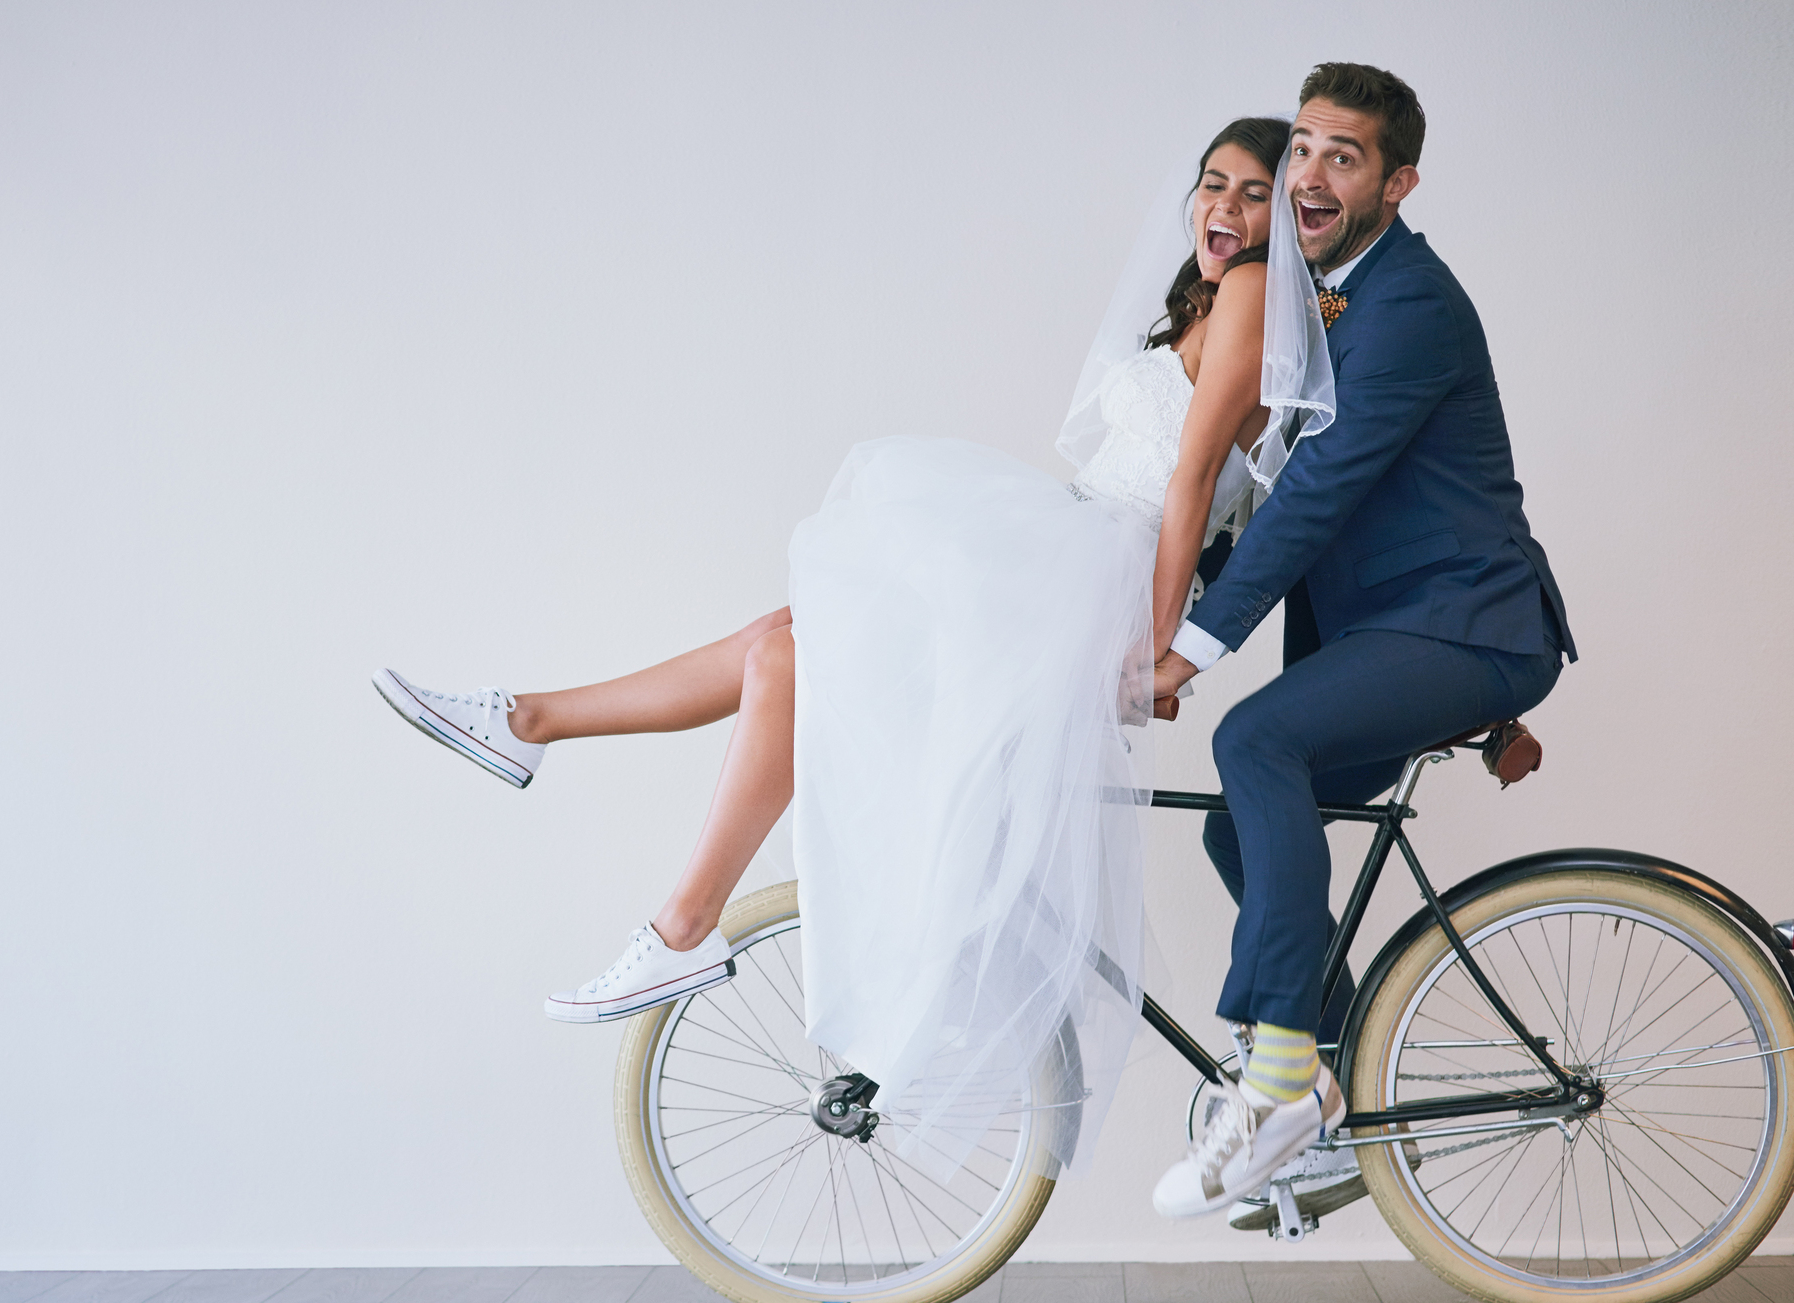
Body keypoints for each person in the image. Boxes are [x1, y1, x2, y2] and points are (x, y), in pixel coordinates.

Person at [374, 115, 1328, 1170]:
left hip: (1096, 574)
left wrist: (1155, 652)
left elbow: (1195, 481)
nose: (1222, 210)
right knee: (783, 645)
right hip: (1072, 555)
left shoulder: (1249, 296)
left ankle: (660, 903)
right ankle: (532, 729)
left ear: (1287, 220)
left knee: (795, 647)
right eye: (1211, 185)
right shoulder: (1217, 296)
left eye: (1250, 195)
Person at [1146, 64, 1575, 1219]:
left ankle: (1280, 1076)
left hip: (1455, 627)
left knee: (1256, 740)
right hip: (1410, 630)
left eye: (1342, 155)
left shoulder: (1409, 303)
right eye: (1301, 147)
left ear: (1397, 182)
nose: (1309, 173)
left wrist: (1191, 645)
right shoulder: (1318, 295)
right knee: (1242, 827)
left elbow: (1324, 489)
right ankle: (1324, 1109)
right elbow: (1270, 494)